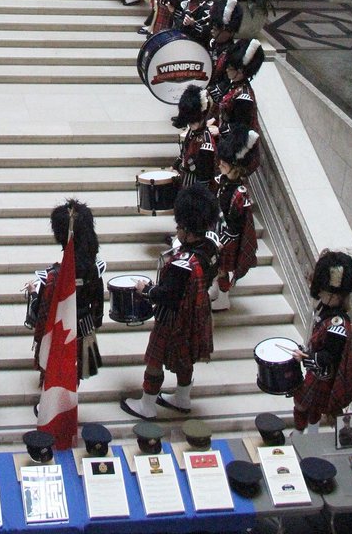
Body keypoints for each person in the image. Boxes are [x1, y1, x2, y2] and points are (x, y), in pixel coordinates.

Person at [121, 185, 220, 419]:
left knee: (155, 359)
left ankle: (147, 404)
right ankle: (183, 397)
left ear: (187, 229)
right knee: (185, 358)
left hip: (173, 317)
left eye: (179, 227)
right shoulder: (210, 248)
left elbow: (165, 294)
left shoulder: (181, 263)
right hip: (198, 311)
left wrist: (146, 289)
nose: (176, 231)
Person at [28, 200, 106, 389]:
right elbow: (98, 304)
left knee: (53, 369)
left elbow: (41, 312)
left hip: (58, 326)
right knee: (74, 370)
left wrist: (34, 294)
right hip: (84, 325)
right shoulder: (95, 269)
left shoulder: (55, 277)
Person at [292, 251, 352, 436]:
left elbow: (329, 356)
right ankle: (309, 432)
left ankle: (303, 432)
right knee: (312, 406)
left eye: (324, 291)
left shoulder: (338, 324)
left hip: (325, 374)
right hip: (320, 371)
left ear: (335, 295)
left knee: (302, 403)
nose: (319, 293)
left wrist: (306, 358)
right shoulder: (326, 310)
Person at [209, 125, 259, 313]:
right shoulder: (223, 181)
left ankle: (223, 299)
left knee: (223, 269)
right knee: (215, 267)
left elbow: (237, 225)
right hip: (218, 230)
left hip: (229, 238)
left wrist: (223, 241)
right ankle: (215, 291)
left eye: (224, 162)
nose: (220, 164)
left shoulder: (240, 193)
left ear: (235, 166)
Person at [170, 85, 218, 190]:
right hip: (186, 181)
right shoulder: (192, 132)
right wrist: (175, 166)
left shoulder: (206, 144)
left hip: (196, 188)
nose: (191, 124)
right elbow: (184, 153)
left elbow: (204, 180)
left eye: (193, 120)